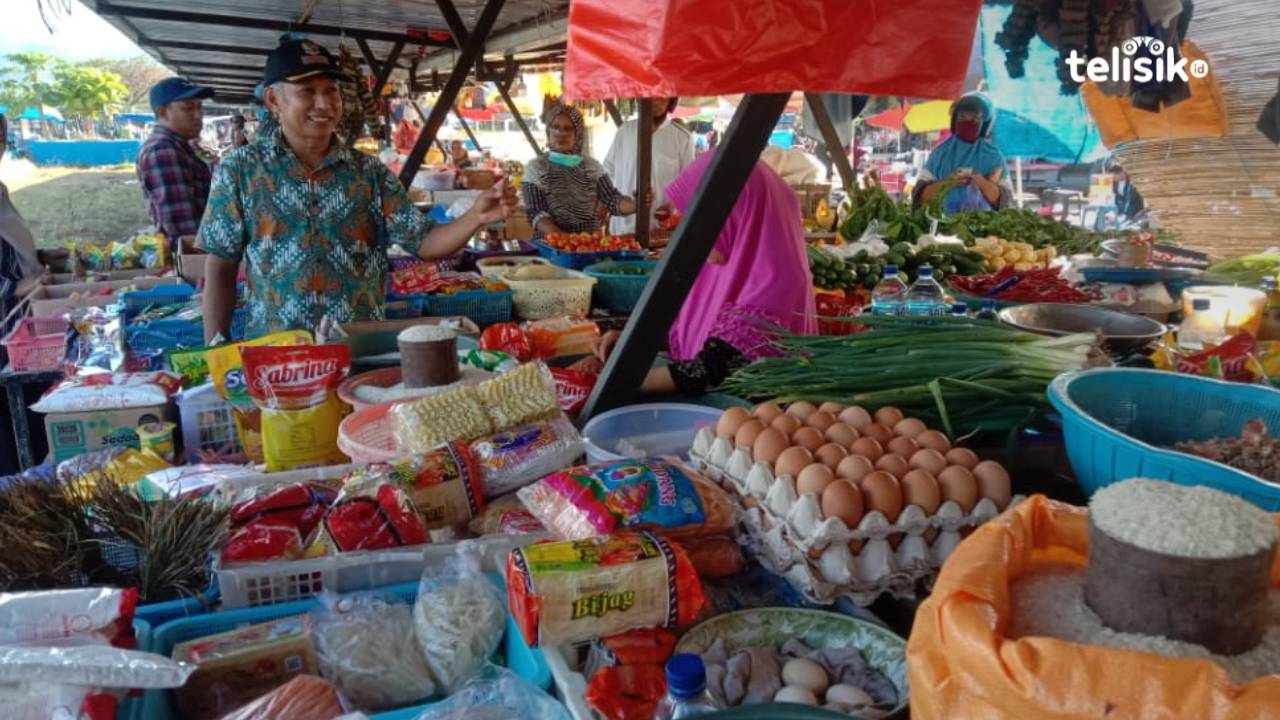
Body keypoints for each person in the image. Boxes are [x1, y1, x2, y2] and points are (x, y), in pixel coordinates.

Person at [196, 38, 517, 343]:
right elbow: (220, 266)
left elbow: (423, 241)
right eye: (307, 91)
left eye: (331, 91)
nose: (324, 104)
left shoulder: (369, 173)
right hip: (278, 354)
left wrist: (476, 216)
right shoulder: (240, 170)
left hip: (358, 346)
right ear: (273, 100)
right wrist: (214, 346)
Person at [593, 151, 818, 396]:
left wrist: (621, 381)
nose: (694, 232)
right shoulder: (725, 262)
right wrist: (631, 340)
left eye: (702, 219)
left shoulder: (779, 281)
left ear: (738, 213)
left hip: (746, 421)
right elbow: (692, 328)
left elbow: (718, 366)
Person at [521, 103, 645, 239]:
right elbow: (536, 212)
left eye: (567, 128)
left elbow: (612, 200)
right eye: (555, 127)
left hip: (587, 248)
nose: (560, 133)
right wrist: (566, 239)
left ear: (578, 134)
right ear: (548, 131)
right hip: (550, 248)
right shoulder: (536, 168)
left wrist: (635, 205)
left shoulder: (592, 167)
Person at [136, 77, 215, 250]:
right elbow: (184, 229)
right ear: (163, 112)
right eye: (188, 108)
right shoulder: (163, 150)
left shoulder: (179, 145)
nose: (198, 115)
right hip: (195, 259)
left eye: (199, 107)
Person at [602, 97, 694, 235]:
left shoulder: (682, 138)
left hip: (661, 230)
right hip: (623, 229)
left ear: (670, 101)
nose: (656, 101)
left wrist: (671, 206)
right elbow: (607, 172)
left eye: (661, 96)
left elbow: (688, 184)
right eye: (650, 96)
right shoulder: (624, 132)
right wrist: (609, 204)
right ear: (640, 100)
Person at [913, 93, 1012, 213]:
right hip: (943, 227)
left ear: (984, 125)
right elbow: (919, 196)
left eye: (975, 118)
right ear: (954, 121)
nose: (968, 122)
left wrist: (982, 182)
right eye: (962, 117)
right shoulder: (940, 153)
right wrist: (947, 183)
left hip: (985, 227)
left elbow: (1006, 200)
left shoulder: (993, 156)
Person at [0, 114, 42, 329]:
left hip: (16, 314)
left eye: (0, 139)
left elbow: (7, 251)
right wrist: (14, 287)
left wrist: (41, 256)